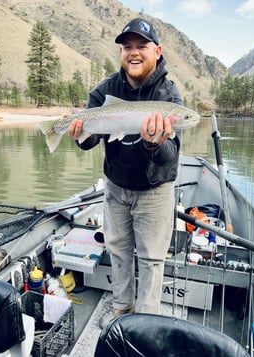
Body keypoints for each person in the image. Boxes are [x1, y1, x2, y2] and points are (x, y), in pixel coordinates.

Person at [68, 18, 182, 321]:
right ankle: (121, 309)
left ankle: (145, 322)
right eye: (127, 47)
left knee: (151, 261)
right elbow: (89, 141)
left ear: (156, 51)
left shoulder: (169, 98)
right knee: (117, 251)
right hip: (116, 188)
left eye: (141, 46)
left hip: (155, 192)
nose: (134, 53)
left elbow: (170, 156)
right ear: (121, 53)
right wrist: (80, 133)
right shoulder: (105, 90)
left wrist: (154, 143)